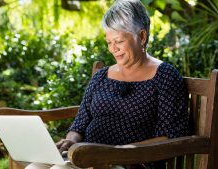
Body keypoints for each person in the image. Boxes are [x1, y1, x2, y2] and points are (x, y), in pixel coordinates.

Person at [26, 0, 189, 169]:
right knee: (35, 167)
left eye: (118, 41)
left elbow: (171, 135)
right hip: (87, 158)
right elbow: (80, 124)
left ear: (141, 36)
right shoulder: (102, 76)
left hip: (130, 163)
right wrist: (69, 141)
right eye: (109, 42)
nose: (113, 49)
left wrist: (116, 153)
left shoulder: (165, 76)